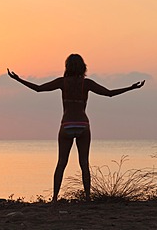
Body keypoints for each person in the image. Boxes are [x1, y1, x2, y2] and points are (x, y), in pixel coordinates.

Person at [7, 54, 145, 202]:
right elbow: (109, 94)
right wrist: (131, 88)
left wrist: (18, 79)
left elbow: (39, 89)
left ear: (67, 66)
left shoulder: (62, 82)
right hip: (83, 125)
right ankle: (87, 198)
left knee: (61, 162)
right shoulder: (87, 84)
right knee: (84, 163)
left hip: (66, 125)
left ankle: (54, 198)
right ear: (83, 67)